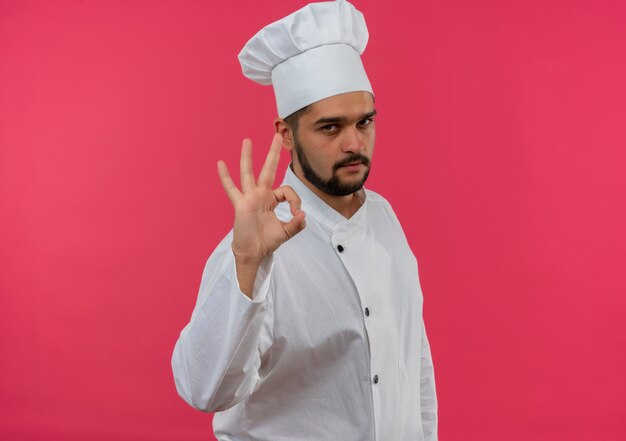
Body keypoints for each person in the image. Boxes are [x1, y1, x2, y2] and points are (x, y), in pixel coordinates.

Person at [171, 1, 438, 439]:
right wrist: (246, 266)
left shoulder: (385, 219)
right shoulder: (258, 247)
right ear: (286, 133)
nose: (354, 143)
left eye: (364, 122)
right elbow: (203, 391)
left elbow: (413, 362)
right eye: (330, 128)